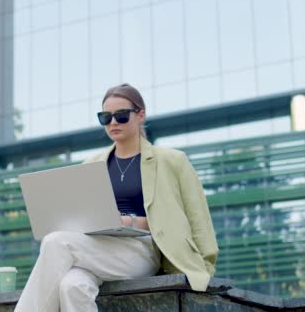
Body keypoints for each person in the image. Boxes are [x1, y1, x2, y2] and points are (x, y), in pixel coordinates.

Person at [15, 83, 218, 311]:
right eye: (106, 117)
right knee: (72, 286)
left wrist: (205, 268)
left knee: (56, 241)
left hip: (141, 249)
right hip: (97, 246)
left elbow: (198, 219)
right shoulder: (91, 165)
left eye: (121, 116)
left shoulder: (172, 161)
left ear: (141, 115)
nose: (113, 122)